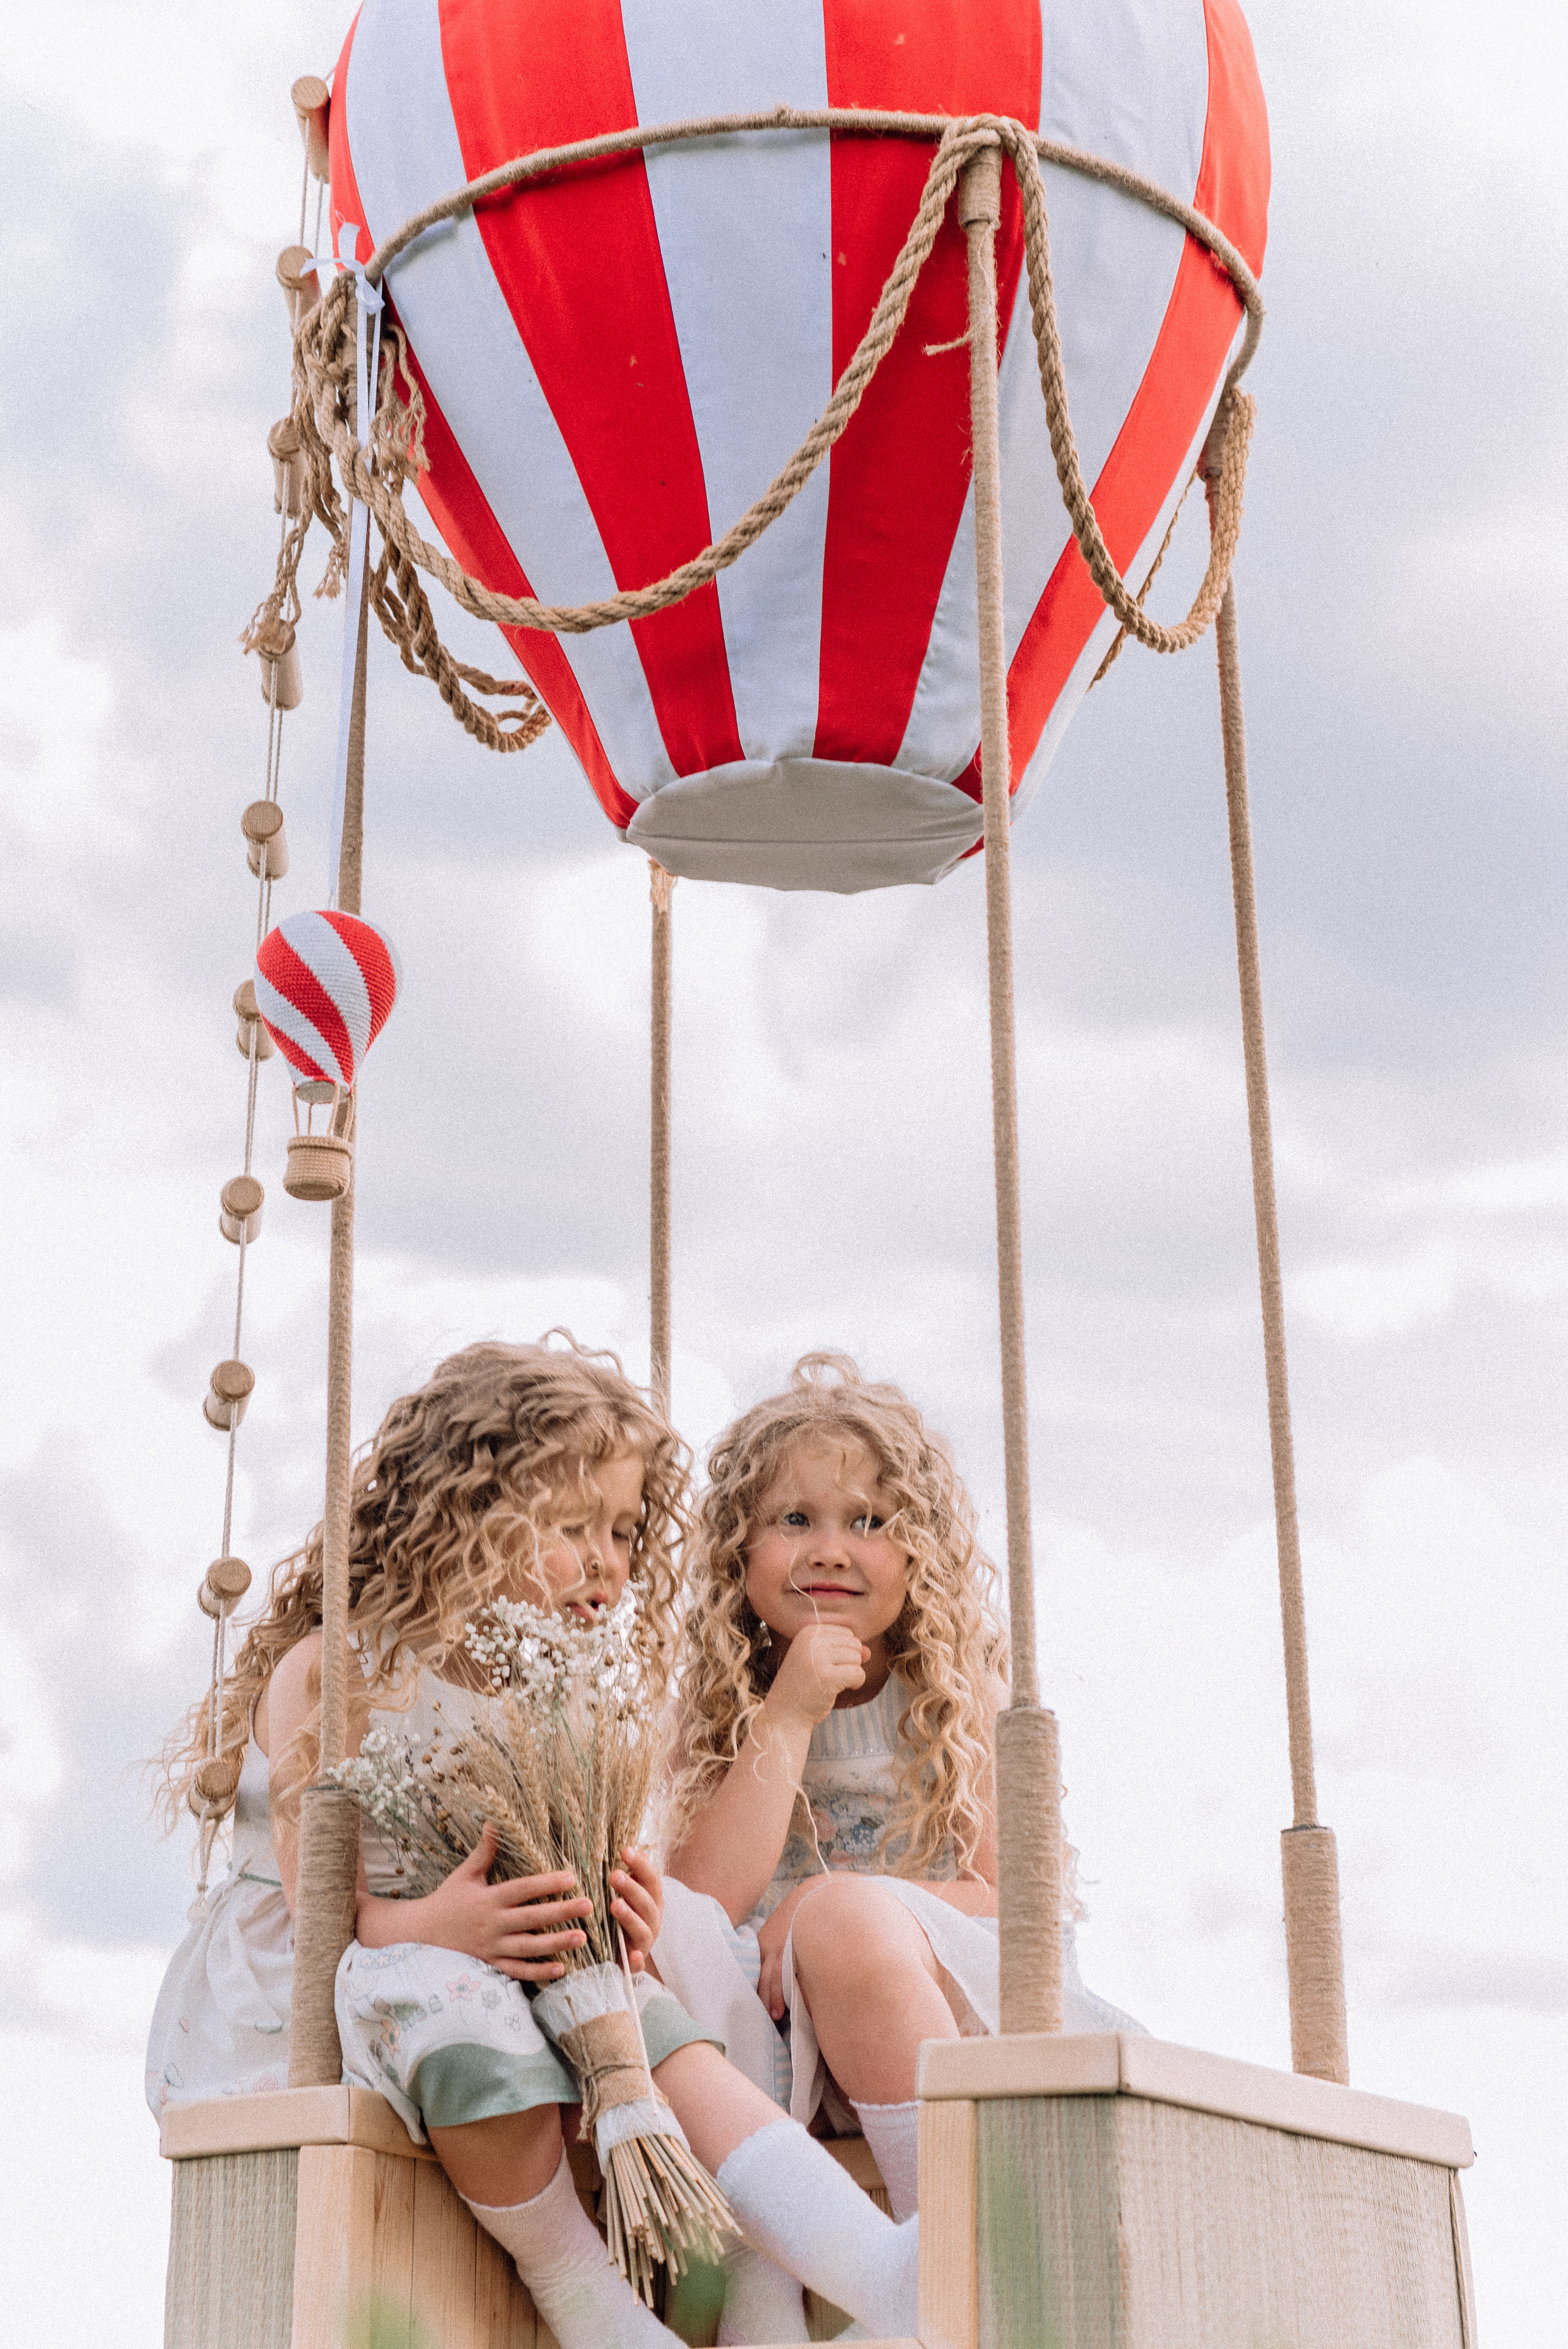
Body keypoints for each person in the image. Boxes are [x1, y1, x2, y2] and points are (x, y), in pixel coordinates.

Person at [149, 1337, 919, 2349]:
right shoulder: (337, 1671)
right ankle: (585, 2297)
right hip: (326, 1975)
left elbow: (546, 1861)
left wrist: (614, 1907)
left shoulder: (542, 1686)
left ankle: (879, 2269)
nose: (608, 1559)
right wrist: (442, 1925)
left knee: (648, 2016)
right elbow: (322, 1914)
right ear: (467, 1518)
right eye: (573, 1527)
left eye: (624, 1530)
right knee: (452, 1994)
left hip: (490, 1955)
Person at [657, 1353, 1142, 2225]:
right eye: (794, 1518)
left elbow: (1008, 1902)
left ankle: (946, 2235)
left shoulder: (959, 1701)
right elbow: (701, 1905)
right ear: (740, 1548)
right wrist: (786, 1715)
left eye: (868, 1520)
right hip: (784, 2042)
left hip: (941, 2010)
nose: (829, 1550)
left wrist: (821, 1902)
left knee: (841, 1920)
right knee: (651, 1927)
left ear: (920, 1548)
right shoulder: (723, 1713)